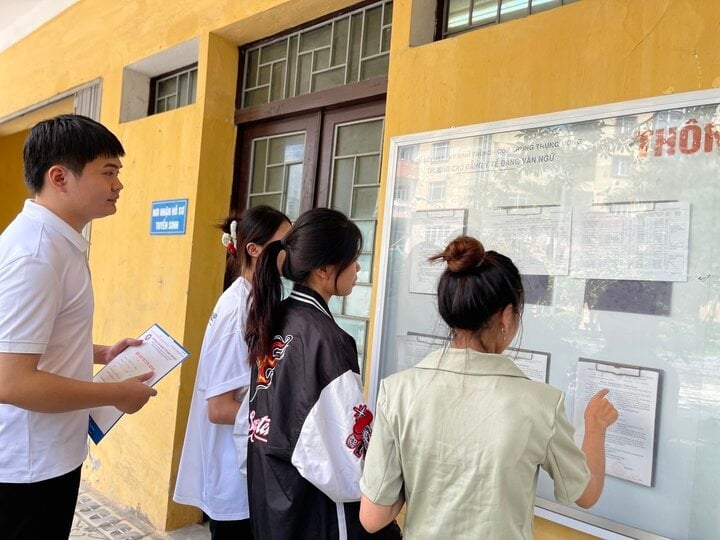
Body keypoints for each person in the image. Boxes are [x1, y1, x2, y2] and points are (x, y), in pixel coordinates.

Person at [359, 235, 619, 539]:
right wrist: (596, 426)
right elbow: (585, 494)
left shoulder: (398, 392)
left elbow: (372, 517)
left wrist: (420, 468)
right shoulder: (541, 404)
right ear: (506, 317)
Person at [0, 114, 158, 539]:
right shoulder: (35, 255)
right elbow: (11, 381)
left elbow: (25, 339)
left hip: (48, 456)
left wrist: (100, 353)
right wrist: (115, 394)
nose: (118, 185)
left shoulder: (55, 243)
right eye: (108, 172)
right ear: (59, 177)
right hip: (26, 468)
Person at [244, 207, 400, 540]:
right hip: (314, 513)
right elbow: (348, 463)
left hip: (273, 498)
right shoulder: (326, 340)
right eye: (353, 259)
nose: (358, 268)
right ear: (325, 268)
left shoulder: (278, 318)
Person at [173, 206, 291, 539]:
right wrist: (283, 420)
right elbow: (219, 407)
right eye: (285, 242)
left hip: (248, 471)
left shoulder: (258, 300)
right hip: (233, 478)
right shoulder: (237, 310)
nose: (291, 251)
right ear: (254, 249)